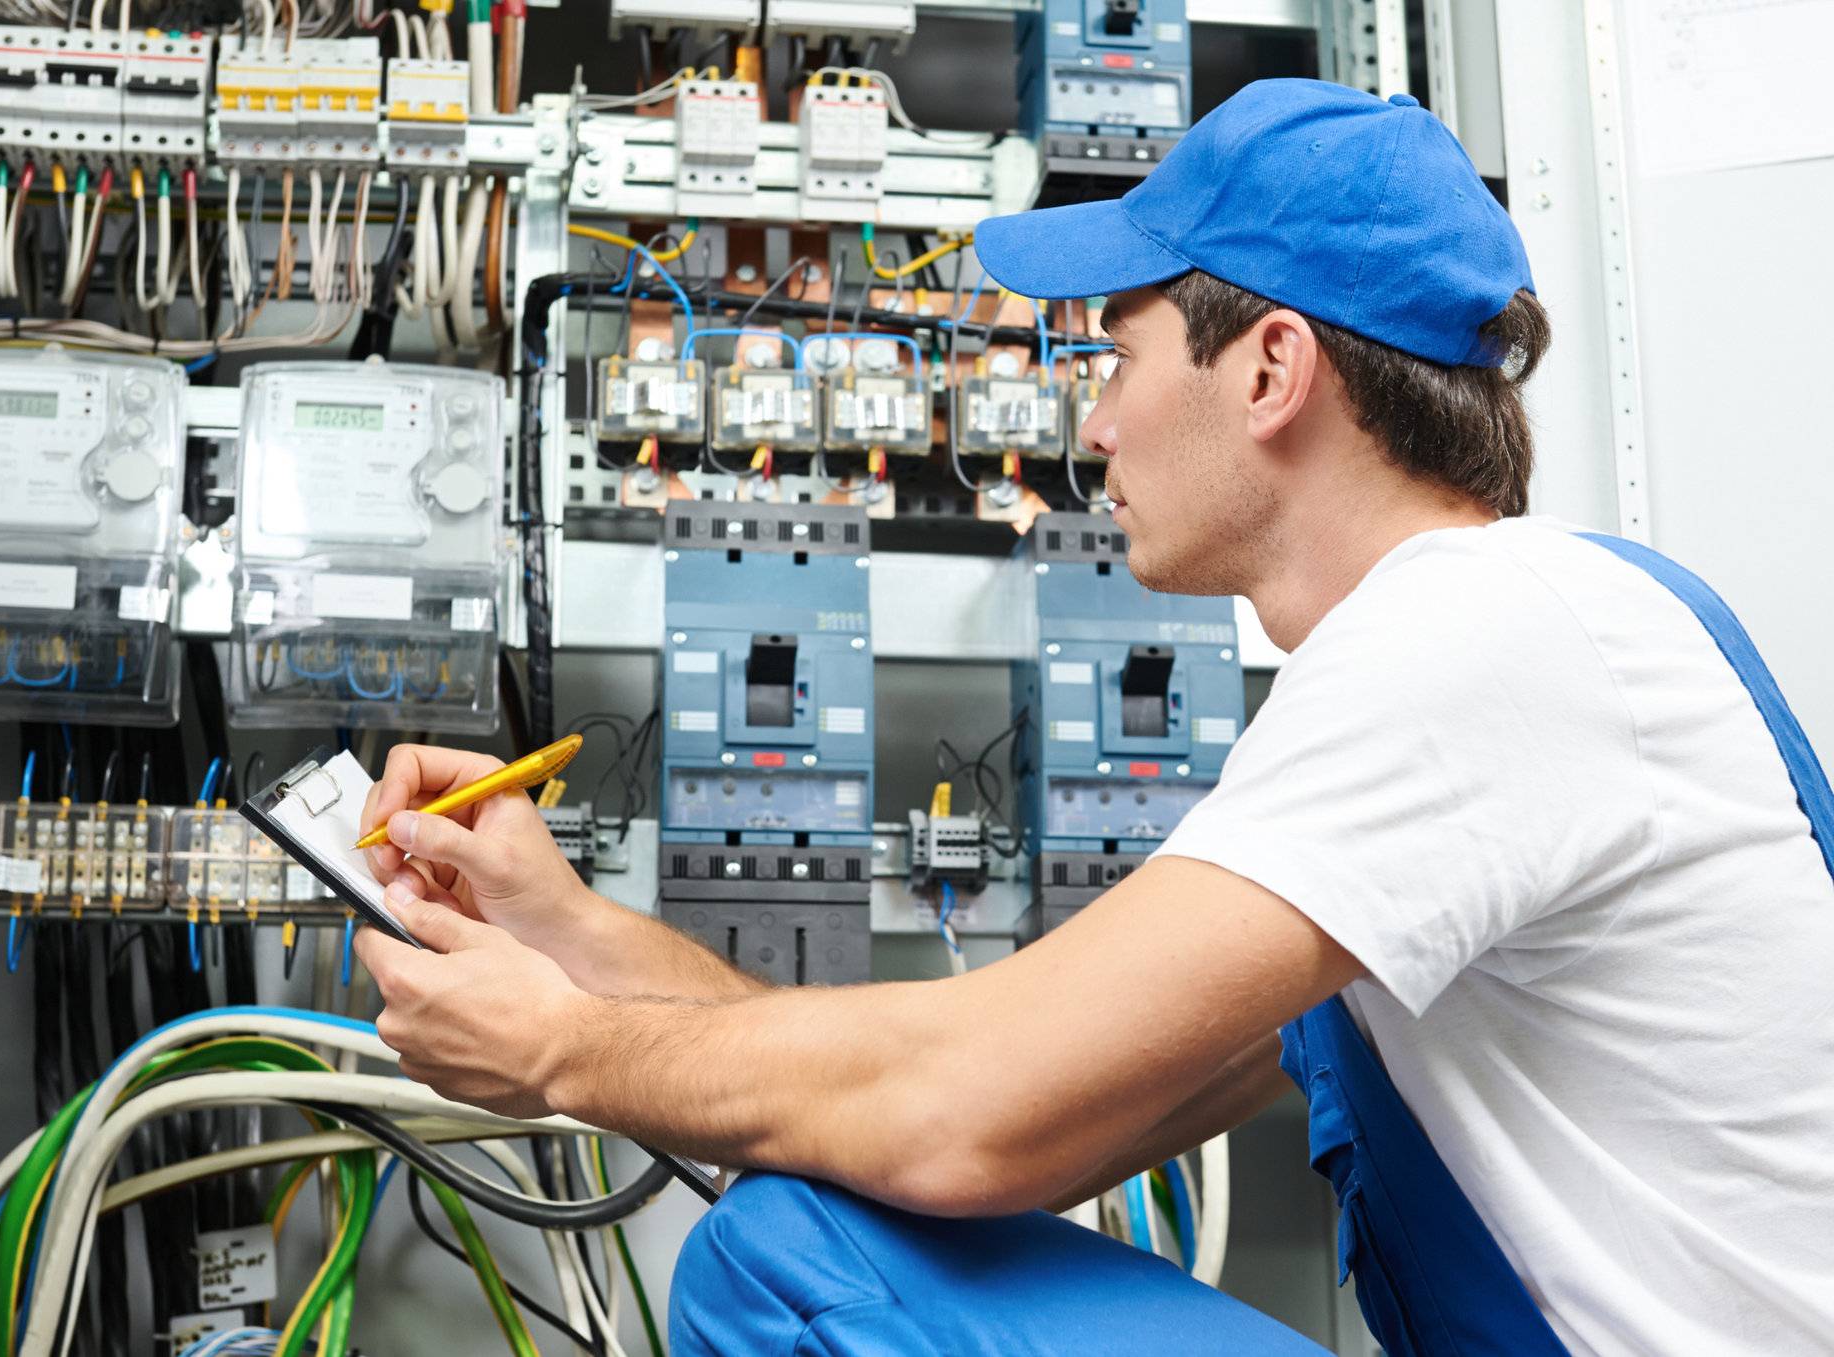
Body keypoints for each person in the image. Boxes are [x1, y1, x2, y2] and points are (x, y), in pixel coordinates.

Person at [354, 79, 1834, 1356]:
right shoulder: (1479, 673)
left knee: (788, 1260)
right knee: (830, 1209)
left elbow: (961, 1108)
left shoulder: (1478, 637)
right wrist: (575, 938)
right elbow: (1018, 1120)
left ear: (1271, 372)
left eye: (1117, 357)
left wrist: (559, 1054)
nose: (1096, 423)